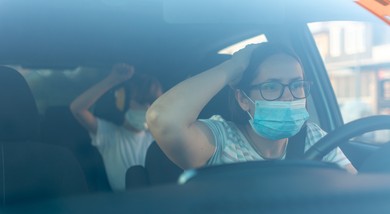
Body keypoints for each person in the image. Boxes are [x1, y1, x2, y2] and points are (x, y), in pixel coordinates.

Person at [146, 43, 357, 174]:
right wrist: (232, 67)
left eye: (296, 85)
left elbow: (353, 197)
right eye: (271, 86)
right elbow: (162, 119)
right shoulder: (221, 139)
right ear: (243, 99)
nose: (288, 96)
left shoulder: (313, 137)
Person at [70, 63, 163, 191]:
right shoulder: (108, 134)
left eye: (152, 102)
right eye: (141, 101)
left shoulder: (158, 139)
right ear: (124, 103)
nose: (147, 107)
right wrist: (113, 79)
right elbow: (77, 109)